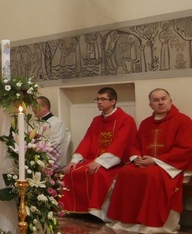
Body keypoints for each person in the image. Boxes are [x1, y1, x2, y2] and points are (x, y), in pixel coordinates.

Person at [107, 89, 192, 234]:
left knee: (152, 175)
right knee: (125, 172)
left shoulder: (183, 121)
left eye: (164, 99)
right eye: (156, 100)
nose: (160, 102)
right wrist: (137, 158)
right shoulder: (146, 123)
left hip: (173, 166)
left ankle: (154, 224)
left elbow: (186, 149)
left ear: (170, 101)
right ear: (150, 105)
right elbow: (135, 145)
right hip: (149, 164)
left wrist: (155, 161)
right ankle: (127, 222)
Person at [59, 87, 137, 220]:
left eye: (103, 99)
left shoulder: (126, 120)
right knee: (71, 171)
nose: (99, 102)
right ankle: (74, 209)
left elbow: (121, 144)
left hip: (115, 162)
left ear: (113, 101)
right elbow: (87, 140)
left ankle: (97, 213)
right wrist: (75, 160)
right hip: (94, 159)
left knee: (98, 173)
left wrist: (101, 162)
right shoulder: (97, 120)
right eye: (97, 99)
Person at [33, 96, 72, 170]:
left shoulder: (56, 122)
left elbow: (56, 144)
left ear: (44, 107)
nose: (32, 109)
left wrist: (40, 160)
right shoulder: (36, 123)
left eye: (35, 106)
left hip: (50, 165)